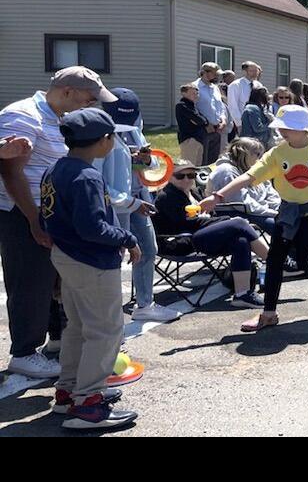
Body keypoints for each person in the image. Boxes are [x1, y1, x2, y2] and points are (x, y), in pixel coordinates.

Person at [0, 66, 116, 379]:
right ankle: (24, 353)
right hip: (23, 212)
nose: (91, 104)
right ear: (67, 91)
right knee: (30, 283)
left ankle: (56, 341)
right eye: (89, 98)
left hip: (51, 212)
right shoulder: (24, 115)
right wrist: (33, 220)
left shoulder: (60, 116)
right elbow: (12, 173)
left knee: (55, 281)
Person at [200, 106, 308, 333]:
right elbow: (249, 177)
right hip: (288, 212)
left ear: (301, 129)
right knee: (275, 260)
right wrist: (218, 195)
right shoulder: (277, 154)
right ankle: (269, 314)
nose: (280, 131)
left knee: (303, 261)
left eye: (285, 127)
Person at [39, 108, 140, 430]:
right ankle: (88, 403)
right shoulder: (87, 176)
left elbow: (47, 218)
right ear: (103, 141)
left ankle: (68, 391)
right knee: (105, 330)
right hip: (91, 260)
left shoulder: (53, 170)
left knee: (78, 327)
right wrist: (127, 237)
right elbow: (92, 228)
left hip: (66, 256)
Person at [97, 88, 181, 322]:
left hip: (137, 199)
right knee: (114, 257)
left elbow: (152, 160)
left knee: (147, 249)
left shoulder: (135, 129)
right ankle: (109, 319)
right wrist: (131, 201)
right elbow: (99, 183)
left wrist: (144, 159)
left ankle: (144, 304)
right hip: (115, 205)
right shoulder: (98, 136)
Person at [153, 161, 269, 310]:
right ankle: (277, 262)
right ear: (169, 176)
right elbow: (187, 223)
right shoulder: (167, 196)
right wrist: (225, 221)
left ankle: (242, 294)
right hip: (181, 241)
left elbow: (209, 215)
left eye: (191, 175)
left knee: (241, 240)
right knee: (239, 223)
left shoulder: (195, 192)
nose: (187, 179)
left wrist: (217, 221)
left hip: (199, 236)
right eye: (180, 176)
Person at [207, 138, 281, 236]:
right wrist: (271, 213)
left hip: (259, 210)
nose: (260, 159)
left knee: (291, 222)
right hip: (236, 213)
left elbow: (270, 192)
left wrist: (278, 209)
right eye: (257, 154)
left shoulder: (253, 168)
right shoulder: (226, 171)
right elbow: (242, 203)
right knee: (280, 227)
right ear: (244, 153)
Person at [195, 62, 227, 165]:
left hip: (217, 130)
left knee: (213, 162)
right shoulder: (195, 87)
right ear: (206, 73)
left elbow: (220, 106)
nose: (217, 76)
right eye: (215, 74)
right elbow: (193, 109)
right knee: (201, 161)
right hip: (202, 130)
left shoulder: (215, 88)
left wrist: (223, 119)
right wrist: (205, 124)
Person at [226, 61, 264, 141]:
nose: (255, 73)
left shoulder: (258, 85)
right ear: (245, 71)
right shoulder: (235, 85)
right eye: (252, 71)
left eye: (256, 71)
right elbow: (233, 106)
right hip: (244, 123)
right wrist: (240, 124)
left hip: (257, 123)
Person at [176, 83, 210, 165]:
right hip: (189, 140)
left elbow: (204, 121)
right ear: (184, 94)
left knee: (197, 168)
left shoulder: (193, 107)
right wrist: (200, 121)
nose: (196, 95)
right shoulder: (182, 106)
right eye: (193, 93)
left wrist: (201, 121)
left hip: (199, 139)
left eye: (197, 93)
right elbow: (199, 120)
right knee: (189, 166)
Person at [239, 86, 276, 150]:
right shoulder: (253, 108)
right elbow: (258, 128)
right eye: (266, 94)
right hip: (252, 144)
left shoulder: (256, 107)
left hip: (255, 143)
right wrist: (270, 123)